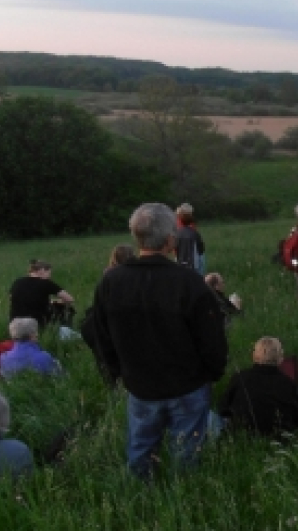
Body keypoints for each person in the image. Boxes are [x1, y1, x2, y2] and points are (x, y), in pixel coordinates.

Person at [89, 202, 228, 479]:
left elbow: (99, 333)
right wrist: (212, 373)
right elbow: (212, 337)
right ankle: (182, 499)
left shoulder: (112, 282)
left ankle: (141, 501)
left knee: (140, 449)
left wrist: (117, 371)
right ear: (169, 241)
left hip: (140, 385)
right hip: (187, 386)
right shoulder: (189, 282)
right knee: (186, 455)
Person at [218, 337, 298, 438]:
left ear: (254, 356)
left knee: (208, 415)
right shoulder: (287, 383)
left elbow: (223, 409)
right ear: (280, 360)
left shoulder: (239, 378)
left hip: (242, 435)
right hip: (279, 438)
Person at [9, 259, 75, 330]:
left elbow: (11, 298)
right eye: (49, 273)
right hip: (37, 323)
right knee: (65, 307)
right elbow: (70, 299)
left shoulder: (17, 282)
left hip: (14, 324)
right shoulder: (46, 283)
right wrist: (56, 302)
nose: (49, 277)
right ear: (42, 270)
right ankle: (61, 330)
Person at [175, 203, 206, 273]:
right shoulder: (193, 232)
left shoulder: (178, 230)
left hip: (180, 256)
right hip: (193, 259)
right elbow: (200, 249)